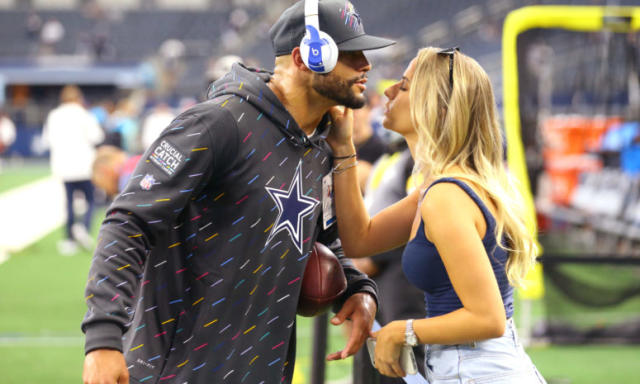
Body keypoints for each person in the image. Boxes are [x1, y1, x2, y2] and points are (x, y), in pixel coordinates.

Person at [81, 1, 394, 383]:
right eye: (350, 54)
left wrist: (356, 289)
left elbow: (323, 242)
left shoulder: (322, 147)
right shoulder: (218, 123)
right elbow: (129, 222)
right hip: (179, 372)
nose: (366, 65)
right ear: (304, 56)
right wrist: (103, 338)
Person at [326, 47, 546, 382]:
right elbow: (360, 240)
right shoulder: (438, 188)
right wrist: (343, 150)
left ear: (436, 107)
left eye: (403, 85)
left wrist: (401, 330)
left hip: (476, 370)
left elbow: (488, 319)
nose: (388, 91)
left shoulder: (445, 196)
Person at [42, 85, 104, 254]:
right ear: (78, 98)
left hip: (64, 166)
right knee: (91, 199)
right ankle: (83, 227)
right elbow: (97, 136)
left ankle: (69, 239)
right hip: (85, 165)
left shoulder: (54, 115)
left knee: (69, 201)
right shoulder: (85, 114)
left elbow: (47, 140)